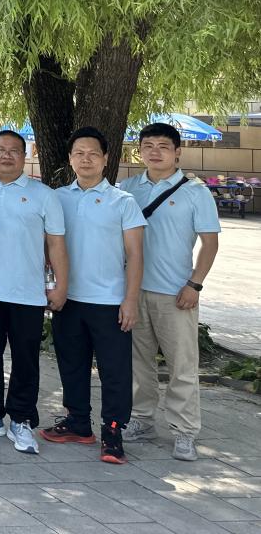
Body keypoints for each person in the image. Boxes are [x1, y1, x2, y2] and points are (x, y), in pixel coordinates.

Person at [42, 126, 145, 464]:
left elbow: (135, 255)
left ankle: (113, 431)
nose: (86, 160)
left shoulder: (123, 201)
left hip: (109, 301)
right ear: (70, 159)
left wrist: (130, 300)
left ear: (105, 159)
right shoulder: (57, 198)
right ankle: (77, 422)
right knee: (72, 364)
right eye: (79, 154)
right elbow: (47, 248)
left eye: (93, 154)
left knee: (115, 371)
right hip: (68, 299)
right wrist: (52, 286)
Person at [120, 122, 220, 462]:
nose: (155, 152)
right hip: (133, 292)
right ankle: (142, 419)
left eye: (163, 146)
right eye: (148, 146)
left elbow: (210, 243)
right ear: (140, 151)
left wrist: (195, 284)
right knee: (138, 363)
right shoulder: (128, 188)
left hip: (176, 293)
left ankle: (184, 431)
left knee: (182, 365)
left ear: (177, 152)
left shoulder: (195, 192)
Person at [0, 129, 68, 455]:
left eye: (14, 150)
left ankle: (22, 418)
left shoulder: (44, 195)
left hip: (28, 294)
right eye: (0, 149)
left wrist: (60, 286)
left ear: (25, 157)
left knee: (26, 359)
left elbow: (56, 244)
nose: (7, 155)